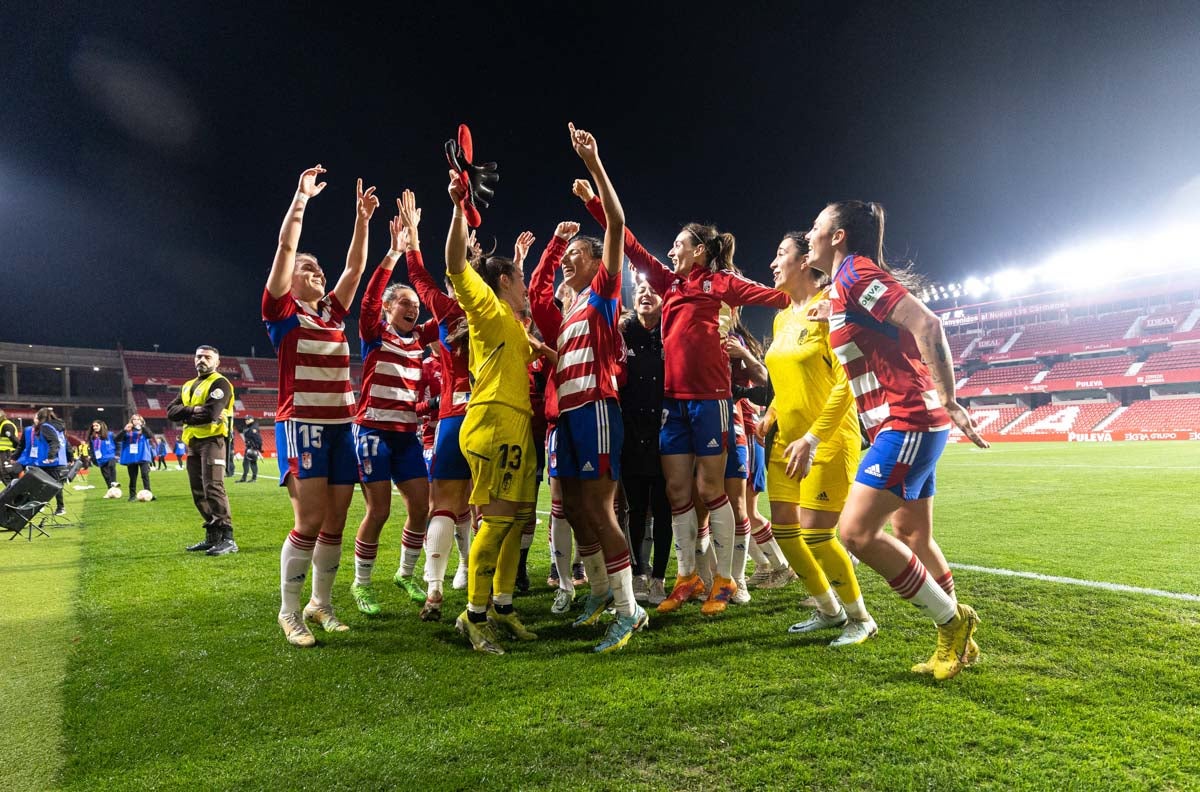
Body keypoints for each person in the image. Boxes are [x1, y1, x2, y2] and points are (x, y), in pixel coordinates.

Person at [576, 181, 790, 617]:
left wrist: (819, 295)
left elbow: (778, 296)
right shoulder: (669, 284)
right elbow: (631, 246)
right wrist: (593, 202)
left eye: (678, 245)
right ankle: (688, 576)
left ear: (699, 250)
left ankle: (727, 580)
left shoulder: (722, 283)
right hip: (673, 403)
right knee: (677, 490)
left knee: (711, 489)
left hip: (711, 399)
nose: (671, 251)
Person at [804, 200, 987, 680]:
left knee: (855, 533)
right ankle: (960, 641)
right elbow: (880, 333)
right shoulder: (847, 285)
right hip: (912, 423)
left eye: (817, 226)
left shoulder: (855, 276)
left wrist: (950, 398)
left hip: (906, 422)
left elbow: (928, 323)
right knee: (913, 536)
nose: (809, 233)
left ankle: (952, 623)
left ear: (839, 235)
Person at [529, 124, 647, 652]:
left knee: (599, 509)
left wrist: (595, 166)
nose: (571, 259)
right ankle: (599, 592)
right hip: (569, 416)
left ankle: (630, 609)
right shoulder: (572, 308)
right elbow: (544, 310)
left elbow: (618, 223)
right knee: (573, 507)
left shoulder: (603, 292)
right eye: (569, 253)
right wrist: (548, 355)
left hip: (597, 410)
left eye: (579, 252)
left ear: (599, 265)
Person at [265, 165, 378, 648]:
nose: (317, 272)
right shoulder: (281, 311)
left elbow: (354, 269)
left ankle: (322, 603)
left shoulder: (331, 312)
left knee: (335, 521)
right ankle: (289, 613)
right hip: (303, 424)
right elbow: (287, 249)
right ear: (290, 280)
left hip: (341, 426)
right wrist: (301, 198)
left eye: (318, 269)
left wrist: (363, 221)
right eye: (308, 270)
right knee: (308, 521)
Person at [760, 231, 878, 646]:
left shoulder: (829, 311)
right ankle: (828, 610)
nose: (772, 263)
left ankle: (860, 618)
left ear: (805, 261)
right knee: (786, 532)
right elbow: (785, 378)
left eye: (780, 253)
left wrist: (812, 437)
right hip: (784, 442)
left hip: (825, 440)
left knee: (816, 534)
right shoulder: (780, 317)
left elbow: (846, 382)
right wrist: (771, 413)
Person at [443, 166, 539, 655]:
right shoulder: (486, 307)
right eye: (521, 277)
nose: (527, 286)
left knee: (517, 521)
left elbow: (527, 351)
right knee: (497, 521)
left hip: (517, 424)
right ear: (504, 281)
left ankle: (501, 606)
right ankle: (474, 616)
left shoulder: (515, 325)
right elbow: (457, 264)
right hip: (493, 421)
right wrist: (460, 207)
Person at [347, 206, 438, 617]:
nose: (413, 308)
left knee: (422, 508)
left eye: (415, 305)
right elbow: (366, 299)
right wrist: (393, 253)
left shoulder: (420, 338)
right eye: (405, 303)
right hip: (372, 433)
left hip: (406, 436)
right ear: (388, 309)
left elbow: (450, 307)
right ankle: (361, 584)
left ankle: (405, 573)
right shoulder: (374, 332)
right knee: (379, 510)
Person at [396, 190, 475, 619]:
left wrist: (413, 236)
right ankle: (492, 596)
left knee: (442, 504)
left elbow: (418, 273)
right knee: (489, 508)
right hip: (495, 418)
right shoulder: (496, 310)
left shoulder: (446, 311)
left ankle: (433, 591)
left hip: (453, 418)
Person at [618, 281, 673, 606]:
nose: (645, 293)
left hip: (666, 433)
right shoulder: (623, 335)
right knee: (636, 509)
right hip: (632, 434)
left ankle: (659, 578)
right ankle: (639, 572)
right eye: (639, 289)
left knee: (664, 510)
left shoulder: (670, 335)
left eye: (653, 289)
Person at [166, 345, 238, 555]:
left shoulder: (221, 383)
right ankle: (212, 535)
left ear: (217, 362)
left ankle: (228, 538)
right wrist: (193, 410)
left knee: (213, 487)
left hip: (212, 440)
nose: (202, 360)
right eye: (199, 356)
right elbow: (170, 411)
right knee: (198, 490)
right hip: (193, 442)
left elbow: (211, 413)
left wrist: (186, 413)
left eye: (207, 357)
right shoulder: (188, 385)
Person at [23, 408, 70, 515]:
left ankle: (43, 505)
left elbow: (54, 442)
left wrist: (50, 456)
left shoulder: (46, 427)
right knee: (55, 485)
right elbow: (65, 443)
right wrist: (70, 457)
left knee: (42, 484)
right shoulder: (58, 427)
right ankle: (58, 507)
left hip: (50, 462)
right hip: (60, 461)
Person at [115, 413, 155, 500]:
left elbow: (150, 436)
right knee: (132, 477)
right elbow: (117, 439)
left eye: (138, 419)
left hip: (143, 456)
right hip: (131, 457)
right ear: (131, 421)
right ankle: (132, 495)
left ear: (141, 421)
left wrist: (143, 427)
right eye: (134, 419)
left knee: (145, 475)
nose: (136, 421)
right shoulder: (128, 430)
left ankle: (149, 494)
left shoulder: (144, 430)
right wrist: (124, 430)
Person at [86, 420, 119, 490]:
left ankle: (114, 482)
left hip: (110, 456)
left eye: (96, 425)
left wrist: (117, 453)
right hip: (100, 459)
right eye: (93, 426)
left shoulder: (110, 434)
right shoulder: (93, 437)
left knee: (111, 467)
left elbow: (118, 443)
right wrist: (93, 458)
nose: (95, 427)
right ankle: (111, 490)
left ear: (101, 426)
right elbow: (92, 450)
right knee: (106, 476)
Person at [238, 417, 263, 482]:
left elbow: (258, 439)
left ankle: (253, 478)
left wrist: (259, 448)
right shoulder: (249, 428)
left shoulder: (253, 428)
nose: (246, 420)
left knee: (252, 463)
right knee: (245, 463)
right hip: (248, 447)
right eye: (246, 419)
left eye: (248, 419)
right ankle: (244, 478)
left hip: (252, 448)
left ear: (252, 420)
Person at [0, 409, 21, 486]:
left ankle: (13, 491)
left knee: (5, 472)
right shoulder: (2, 424)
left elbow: (15, 440)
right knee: (4, 473)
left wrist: (17, 452)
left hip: (6, 452)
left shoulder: (6, 425)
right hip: (3, 452)